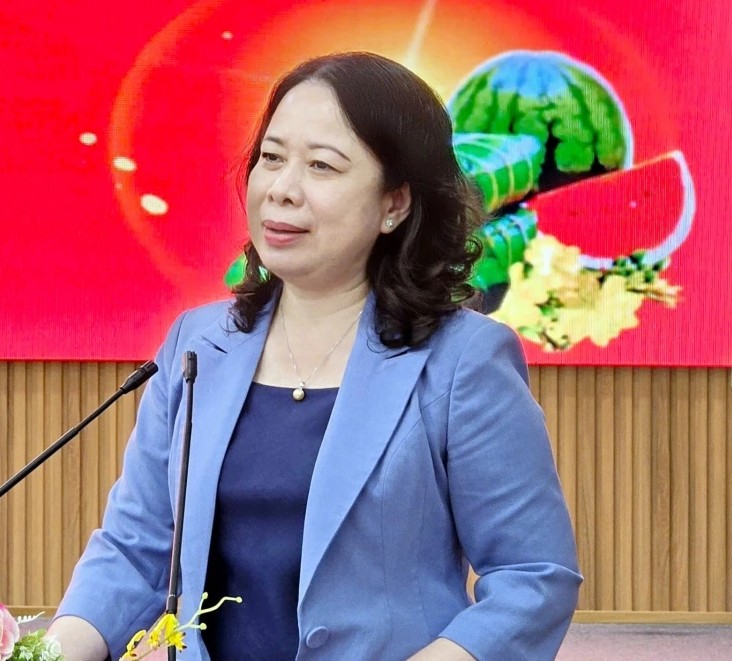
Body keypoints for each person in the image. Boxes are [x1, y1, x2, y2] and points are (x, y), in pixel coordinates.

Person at [46, 52, 581, 661]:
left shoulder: (463, 360)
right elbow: (137, 547)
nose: (282, 189)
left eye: (321, 166)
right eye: (271, 159)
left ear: (394, 203)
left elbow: (534, 576)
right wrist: (48, 653)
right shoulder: (198, 344)